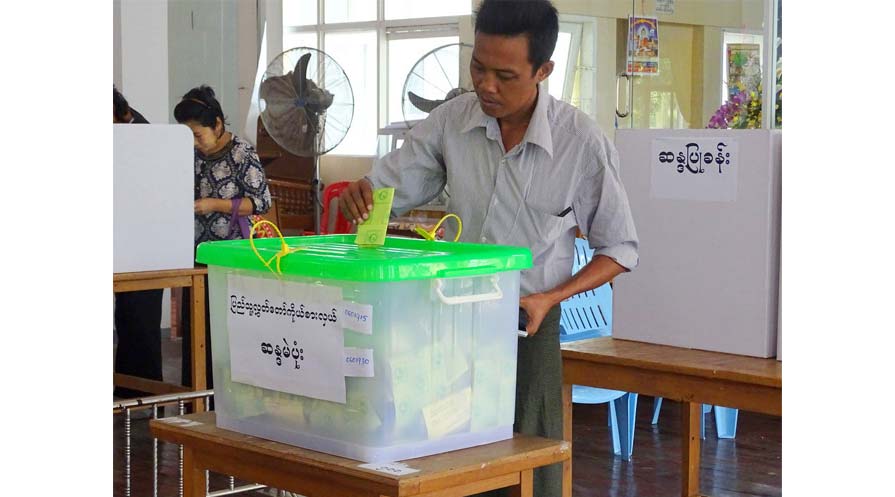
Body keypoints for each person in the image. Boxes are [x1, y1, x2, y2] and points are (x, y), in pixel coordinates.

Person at [338, 1, 638, 496]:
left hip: (527, 320)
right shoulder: (452, 121)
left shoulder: (580, 143)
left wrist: (550, 298)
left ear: (543, 70)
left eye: (505, 75)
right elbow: (395, 185)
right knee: (446, 459)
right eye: (478, 67)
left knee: (530, 462)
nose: (486, 86)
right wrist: (366, 192)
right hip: (448, 321)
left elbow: (620, 249)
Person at [173, 85, 272, 390]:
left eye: (198, 135)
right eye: (188, 135)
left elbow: (261, 201)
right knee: (196, 328)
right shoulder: (189, 155)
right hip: (198, 255)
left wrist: (214, 204)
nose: (195, 143)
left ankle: (228, 398)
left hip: (232, 257)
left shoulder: (242, 153)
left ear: (217, 124)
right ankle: (196, 395)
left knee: (227, 330)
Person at [113, 86, 165, 398]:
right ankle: (127, 385)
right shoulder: (122, 134)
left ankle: (144, 389)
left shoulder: (145, 136)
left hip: (148, 241)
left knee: (141, 316)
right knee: (127, 315)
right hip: (124, 236)